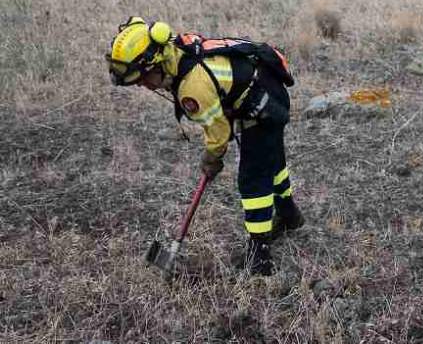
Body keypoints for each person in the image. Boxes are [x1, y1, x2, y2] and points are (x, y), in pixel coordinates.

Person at [106, 17, 304, 276]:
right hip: (262, 86)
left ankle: (259, 255)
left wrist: (211, 158)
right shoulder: (176, 49)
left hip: (263, 102)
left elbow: (219, 132)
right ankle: (289, 215)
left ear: (158, 63)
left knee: (253, 179)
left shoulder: (193, 87)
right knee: (272, 162)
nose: (144, 85)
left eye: (144, 78)